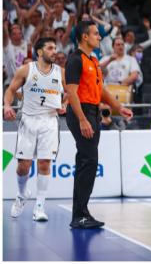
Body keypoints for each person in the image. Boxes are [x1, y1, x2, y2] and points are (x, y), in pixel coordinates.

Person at [65, 21, 133, 228]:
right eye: (96, 33)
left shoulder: (93, 60)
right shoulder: (75, 60)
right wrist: (83, 120)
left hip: (93, 112)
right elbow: (71, 92)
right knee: (89, 161)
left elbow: (101, 89)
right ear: (84, 36)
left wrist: (118, 107)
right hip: (82, 112)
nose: (100, 37)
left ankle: (82, 212)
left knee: (87, 162)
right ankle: (79, 215)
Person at [3, 37, 66, 222]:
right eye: (50, 48)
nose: (55, 51)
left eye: (55, 47)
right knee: (23, 167)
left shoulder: (60, 71)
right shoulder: (26, 69)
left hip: (50, 121)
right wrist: (7, 106)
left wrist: (65, 104)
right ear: (39, 52)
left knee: (44, 164)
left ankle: (39, 207)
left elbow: (71, 92)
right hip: (28, 120)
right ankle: (22, 194)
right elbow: (10, 90)